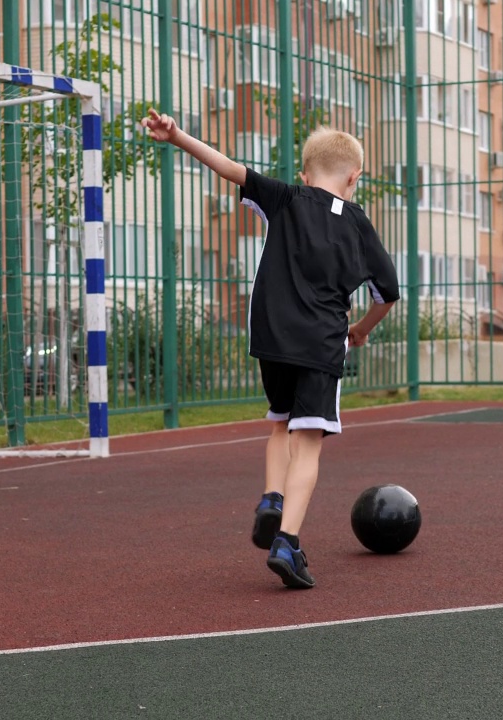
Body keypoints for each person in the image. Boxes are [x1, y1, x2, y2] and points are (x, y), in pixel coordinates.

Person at [141, 109, 401, 589]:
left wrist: (177, 136)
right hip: (321, 341)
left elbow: (227, 166)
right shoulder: (360, 225)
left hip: (271, 337)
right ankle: (288, 542)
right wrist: (359, 329)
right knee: (309, 443)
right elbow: (387, 293)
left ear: (304, 173)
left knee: (280, 420)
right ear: (354, 177)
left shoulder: (284, 198)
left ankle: (270, 498)